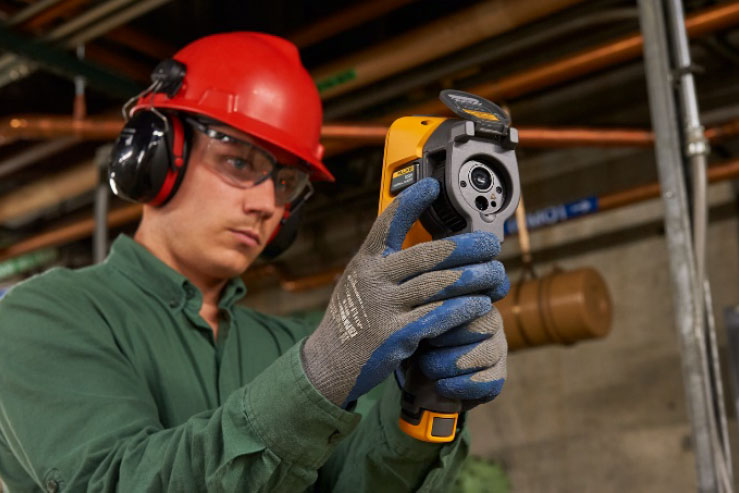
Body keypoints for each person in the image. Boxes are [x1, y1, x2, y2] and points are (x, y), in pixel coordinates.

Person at [0, 32, 508, 492]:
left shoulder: (291, 343)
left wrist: (419, 402)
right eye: (239, 162)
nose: (267, 204)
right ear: (157, 154)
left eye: (286, 182)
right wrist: (316, 375)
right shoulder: (43, 316)